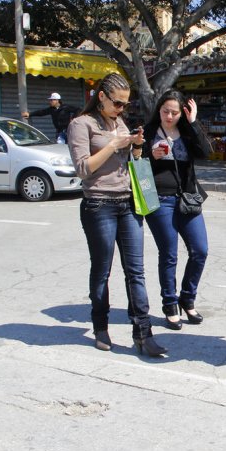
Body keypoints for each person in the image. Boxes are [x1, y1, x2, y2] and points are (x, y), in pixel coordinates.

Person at [68, 73, 167, 357]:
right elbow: (83, 168)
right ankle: (100, 325)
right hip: (98, 204)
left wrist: (136, 145)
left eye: (126, 104)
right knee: (102, 271)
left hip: (128, 203)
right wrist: (113, 144)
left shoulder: (118, 122)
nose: (122, 109)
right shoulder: (81, 124)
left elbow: (134, 162)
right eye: (117, 103)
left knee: (136, 271)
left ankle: (143, 334)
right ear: (101, 97)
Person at [141, 90, 213, 330]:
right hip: (159, 199)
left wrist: (193, 122)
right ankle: (170, 304)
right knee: (169, 253)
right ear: (158, 111)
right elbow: (133, 162)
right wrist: (150, 154)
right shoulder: (148, 131)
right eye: (165, 111)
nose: (169, 116)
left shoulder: (187, 130)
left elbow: (206, 153)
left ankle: (187, 298)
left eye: (174, 112)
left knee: (200, 250)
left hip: (187, 198)